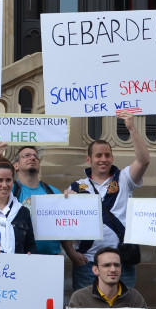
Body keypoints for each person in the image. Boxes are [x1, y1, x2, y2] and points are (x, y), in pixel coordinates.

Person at [64, 110, 150, 290]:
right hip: (88, 262)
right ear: (89, 159)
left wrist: (131, 128)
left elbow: (143, 161)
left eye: (107, 155)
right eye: (98, 155)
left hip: (120, 262)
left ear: (112, 157)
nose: (103, 159)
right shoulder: (77, 187)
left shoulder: (124, 179)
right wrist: (71, 253)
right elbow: (65, 225)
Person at [0, 144, 63, 255]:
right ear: (16, 166)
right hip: (19, 256)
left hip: (50, 257)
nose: (32, 158)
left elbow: (64, 226)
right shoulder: (9, 189)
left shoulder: (53, 192)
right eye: (26, 155)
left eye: (35, 157)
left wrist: (69, 199)